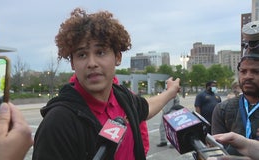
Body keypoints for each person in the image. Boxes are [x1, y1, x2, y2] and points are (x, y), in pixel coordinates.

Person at [32, 8, 180, 160]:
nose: (91, 63)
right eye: (82, 55)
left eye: (100, 52)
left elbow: (145, 108)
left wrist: (170, 92)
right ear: (72, 63)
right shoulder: (58, 123)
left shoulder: (123, 97)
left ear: (117, 57)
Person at [212, 20, 259, 156]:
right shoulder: (223, 109)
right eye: (243, 71)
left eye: (256, 72)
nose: (247, 76)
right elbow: (218, 153)